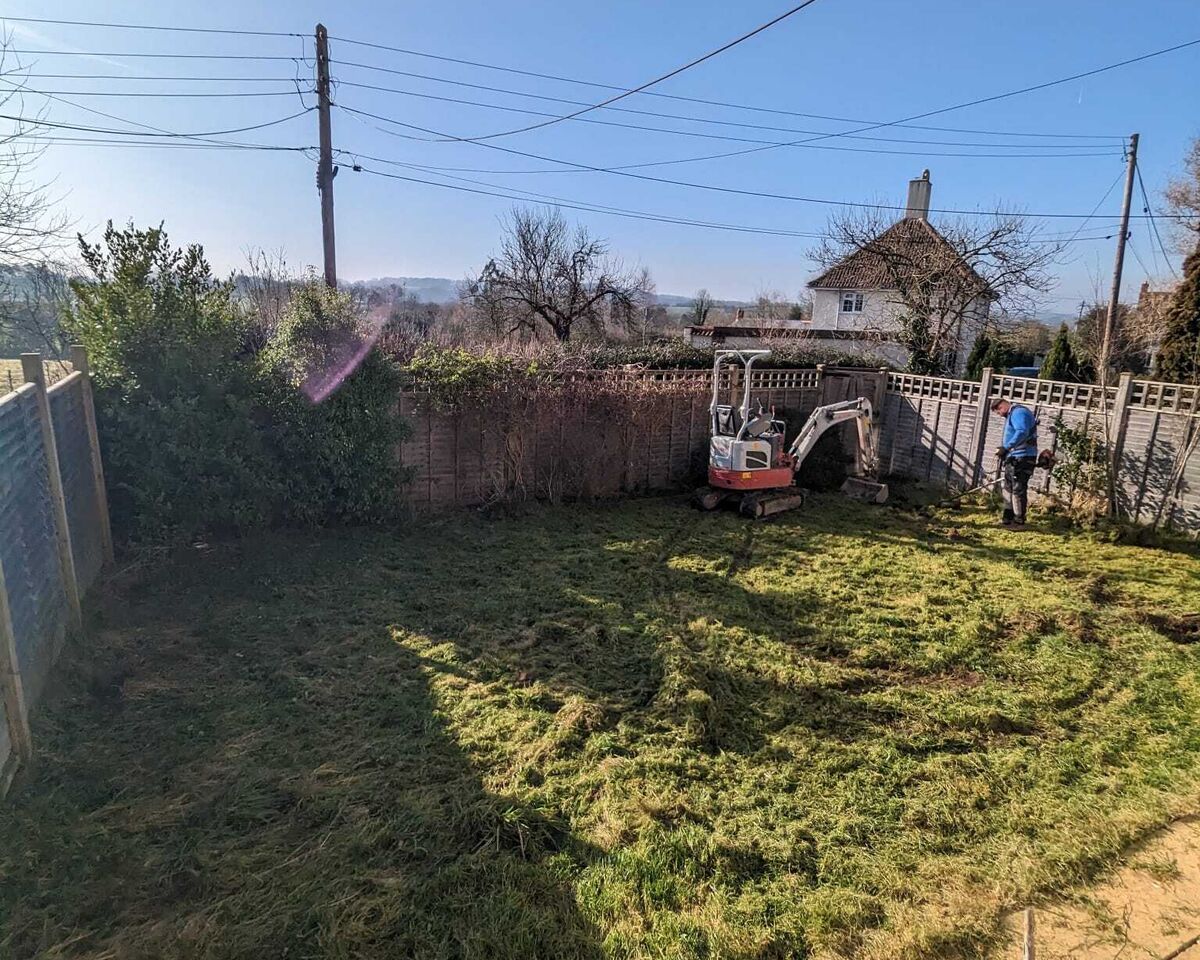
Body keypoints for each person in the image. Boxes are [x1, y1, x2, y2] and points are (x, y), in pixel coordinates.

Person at [991, 398, 1038, 527]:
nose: (999, 415)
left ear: (1001, 407)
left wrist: (1007, 447)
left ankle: (1018, 519)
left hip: (1023, 457)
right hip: (1014, 457)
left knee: (1018, 488)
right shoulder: (1013, 414)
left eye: (998, 412)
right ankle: (1008, 517)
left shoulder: (1018, 413)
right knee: (1008, 487)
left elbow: (1022, 432)